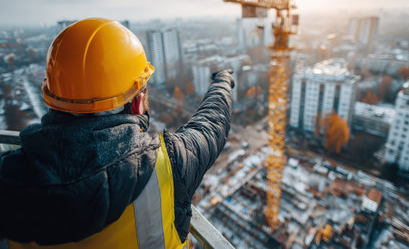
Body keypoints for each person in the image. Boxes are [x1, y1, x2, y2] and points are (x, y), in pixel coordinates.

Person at [0, 18, 234, 249]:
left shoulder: (8, 176)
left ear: (54, 100)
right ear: (137, 102)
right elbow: (211, 124)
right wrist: (222, 82)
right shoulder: (166, 166)